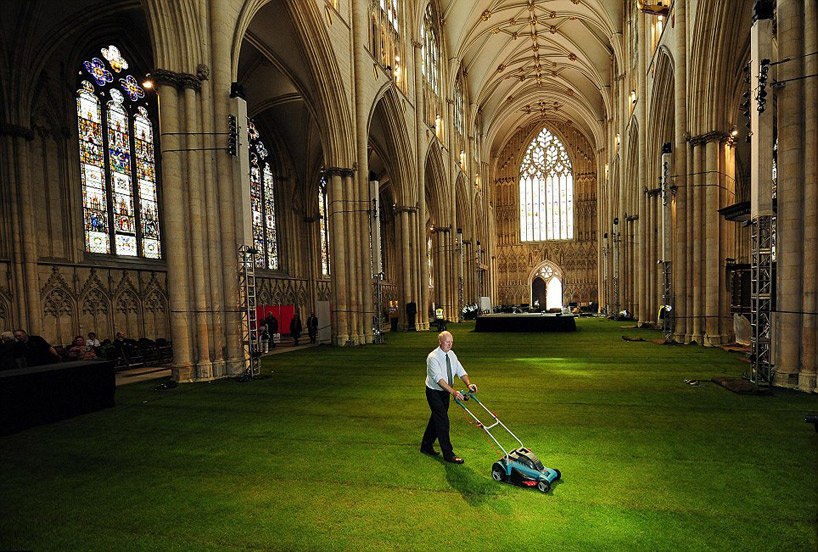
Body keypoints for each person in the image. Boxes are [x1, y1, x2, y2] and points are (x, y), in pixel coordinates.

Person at [421, 331, 477, 464]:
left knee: (436, 419)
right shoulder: (432, 357)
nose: (450, 344)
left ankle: (426, 446)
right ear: (440, 342)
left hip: (445, 393)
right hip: (434, 392)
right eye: (447, 342)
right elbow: (439, 379)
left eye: (451, 342)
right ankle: (448, 454)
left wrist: (469, 384)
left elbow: (460, 371)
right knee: (443, 422)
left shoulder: (451, 354)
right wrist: (453, 392)